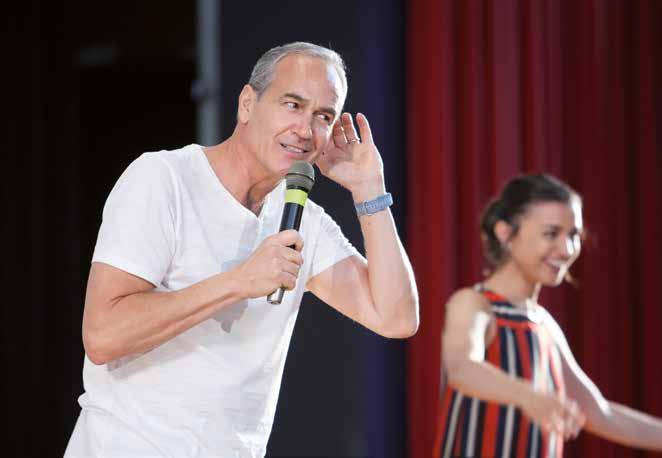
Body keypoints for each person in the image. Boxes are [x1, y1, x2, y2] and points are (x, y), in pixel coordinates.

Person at [64, 41, 419, 458]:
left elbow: (396, 317)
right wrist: (237, 282)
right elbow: (102, 335)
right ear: (247, 104)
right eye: (293, 105)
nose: (305, 130)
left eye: (323, 116)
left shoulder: (303, 218)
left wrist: (369, 190)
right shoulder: (163, 179)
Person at [434, 174, 662, 458]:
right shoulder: (473, 304)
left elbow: (600, 414)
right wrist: (528, 396)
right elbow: (461, 367)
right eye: (551, 234)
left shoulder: (543, 324)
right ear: (505, 233)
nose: (567, 250)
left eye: (573, 235)